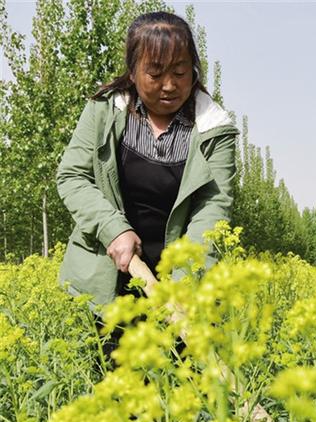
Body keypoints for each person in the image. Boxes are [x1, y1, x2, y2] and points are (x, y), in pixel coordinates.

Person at [56, 11, 238, 311]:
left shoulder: (214, 128)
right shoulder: (104, 111)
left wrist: (184, 282)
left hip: (181, 289)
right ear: (132, 71)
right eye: (155, 73)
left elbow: (213, 208)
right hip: (102, 287)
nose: (169, 85)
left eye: (180, 73)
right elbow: (73, 177)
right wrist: (113, 229)